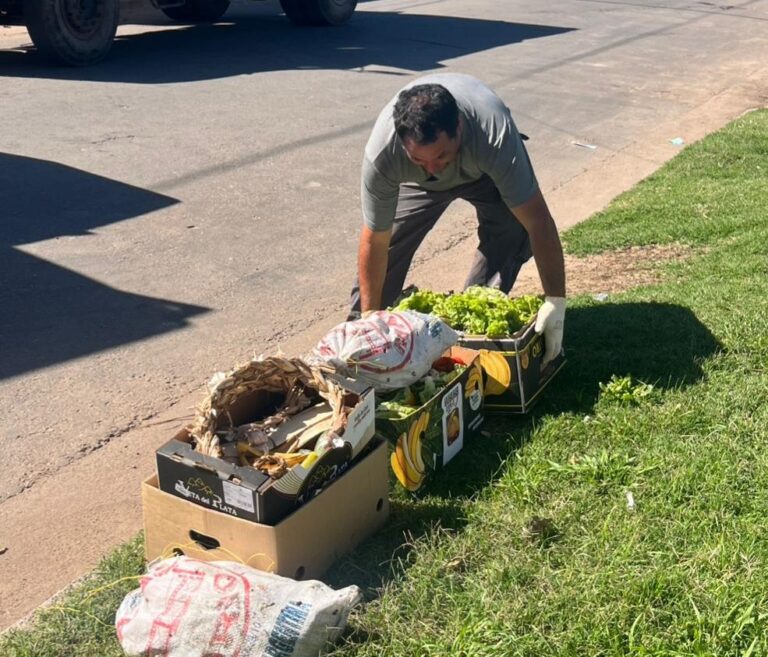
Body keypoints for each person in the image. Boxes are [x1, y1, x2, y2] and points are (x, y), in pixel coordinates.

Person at [348, 73, 566, 365]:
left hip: (482, 172)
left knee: (513, 228)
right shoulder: (384, 152)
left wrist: (556, 300)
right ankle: (360, 349)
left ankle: (470, 327)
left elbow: (538, 220)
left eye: (440, 155)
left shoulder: (492, 133)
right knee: (390, 248)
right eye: (419, 160)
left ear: (459, 128)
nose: (433, 168)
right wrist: (368, 317)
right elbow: (375, 239)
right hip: (417, 186)